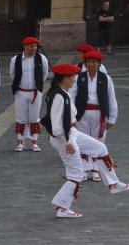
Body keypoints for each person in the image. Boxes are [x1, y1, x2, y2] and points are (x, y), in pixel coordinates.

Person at [41, 64, 128, 218]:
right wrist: (67, 142)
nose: (75, 80)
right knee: (76, 174)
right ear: (65, 78)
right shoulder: (59, 97)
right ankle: (62, 208)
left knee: (100, 148)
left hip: (72, 133)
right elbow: (56, 125)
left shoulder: (63, 93)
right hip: (64, 138)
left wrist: (70, 137)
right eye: (73, 77)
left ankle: (113, 184)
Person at [69, 50, 118, 182]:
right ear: (84, 63)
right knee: (83, 141)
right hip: (82, 114)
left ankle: (95, 169)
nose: (91, 64)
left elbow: (111, 99)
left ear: (99, 64)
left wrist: (112, 118)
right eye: (88, 62)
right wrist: (71, 116)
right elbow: (72, 96)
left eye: (94, 62)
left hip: (99, 114)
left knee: (97, 141)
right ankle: (84, 169)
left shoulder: (106, 78)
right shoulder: (79, 77)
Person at [10, 37, 48, 152]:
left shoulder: (41, 58)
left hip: (35, 92)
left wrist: (37, 85)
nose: (34, 48)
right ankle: (20, 141)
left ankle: (34, 141)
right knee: (21, 117)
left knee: (34, 117)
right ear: (25, 47)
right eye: (32, 46)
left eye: (35, 46)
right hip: (21, 92)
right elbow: (13, 75)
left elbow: (44, 74)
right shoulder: (15, 59)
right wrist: (20, 86)